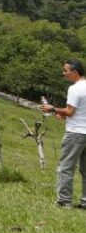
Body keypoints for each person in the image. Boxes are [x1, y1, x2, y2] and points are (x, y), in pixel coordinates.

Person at [41, 59, 86, 208]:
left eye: (66, 70)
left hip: (75, 134)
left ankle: (64, 202)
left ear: (75, 72)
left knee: (66, 168)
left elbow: (70, 111)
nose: (64, 73)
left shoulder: (74, 89)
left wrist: (52, 109)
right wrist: (64, 114)